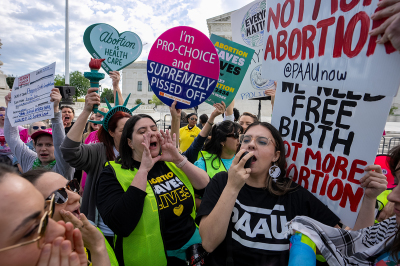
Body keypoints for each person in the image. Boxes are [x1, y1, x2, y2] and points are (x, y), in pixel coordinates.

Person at [197, 121, 384, 265]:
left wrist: (369, 199)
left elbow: (353, 246)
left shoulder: (294, 194)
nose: (251, 145)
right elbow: (209, 243)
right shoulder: (222, 182)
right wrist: (233, 186)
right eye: (246, 139)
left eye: (262, 141)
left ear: (276, 156)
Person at [96, 114, 210, 266]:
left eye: (154, 128)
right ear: (129, 142)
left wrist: (178, 158)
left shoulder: (170, 162)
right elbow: (121, 224)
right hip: (152, 258)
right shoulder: (111, 173)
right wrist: (143, 170)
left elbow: (205, 186)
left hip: (193, 252)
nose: (151, 133)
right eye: (142, 131)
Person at [60, 87, 129, 244]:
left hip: (133, 233)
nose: (129, 134)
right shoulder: (99, 151)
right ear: (111, 132)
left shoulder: (142, 154)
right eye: (124, 130)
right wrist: (86, 111)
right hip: (100, 231)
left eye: (133, 129)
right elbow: (69, 150)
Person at [21, 169, 116, 266]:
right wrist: (98, 249)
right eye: (59, 196)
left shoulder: (91, 232)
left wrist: (97, 247)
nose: (76, 197)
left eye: (72, 186)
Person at [0, 164, 87, 266]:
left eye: (72, 186)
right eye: (32, 230)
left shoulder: (89, 233)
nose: (60, 229)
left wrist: (98, 247)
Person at [4, 89, 74, 179]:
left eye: (49, 145)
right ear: (34, 146)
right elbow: (12, 137)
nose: (43, 149)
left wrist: (55, 110)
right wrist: (10, 109)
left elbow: (60, 142)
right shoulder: (30, 159)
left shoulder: (64, 164)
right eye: (39, 144)